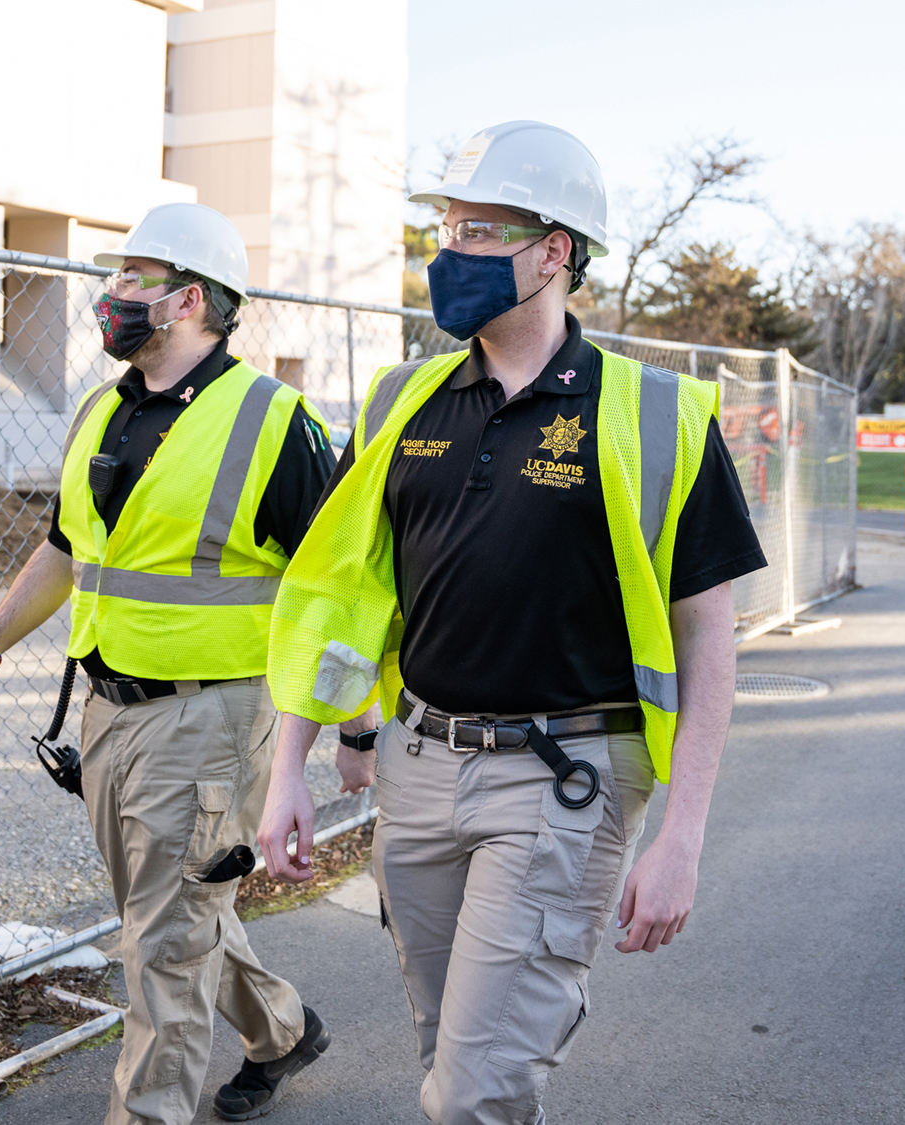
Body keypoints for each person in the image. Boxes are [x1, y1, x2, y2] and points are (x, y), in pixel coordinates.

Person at [256, 121, 768, 1125]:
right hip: (417, 770)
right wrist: (291, 767)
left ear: (554, 250)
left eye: (481, 231)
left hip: (562, 783)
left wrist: (682, 836)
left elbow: (710, 635)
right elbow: (345, 597)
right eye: (444, 228)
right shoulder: (402, 399)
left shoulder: (657, 414)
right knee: (452, 1057)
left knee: (472, 1091)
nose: (450, 253)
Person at [0, 201, 365, 1124]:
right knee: (169, 914)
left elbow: (335, 590)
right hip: (107, 712)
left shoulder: (274, 421)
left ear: (187, 300)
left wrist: (356, 725)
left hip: (214, 721)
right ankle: (285, 1031)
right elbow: (66, 547)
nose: (112, 293)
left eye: (133, 277)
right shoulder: (104, 408)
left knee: (165, 948)